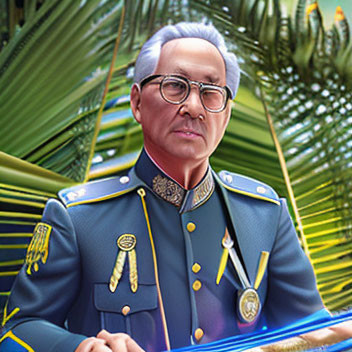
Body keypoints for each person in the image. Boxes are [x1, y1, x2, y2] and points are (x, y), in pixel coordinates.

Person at [0, 22, 350, 352]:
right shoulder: (78, 219)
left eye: (212, 92)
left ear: (225, 116)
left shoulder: (264, 214)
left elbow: (311, 333)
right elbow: (17, 329)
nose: (193, 107)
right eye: (175, 86)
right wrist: (81, 347)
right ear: (137, 102)